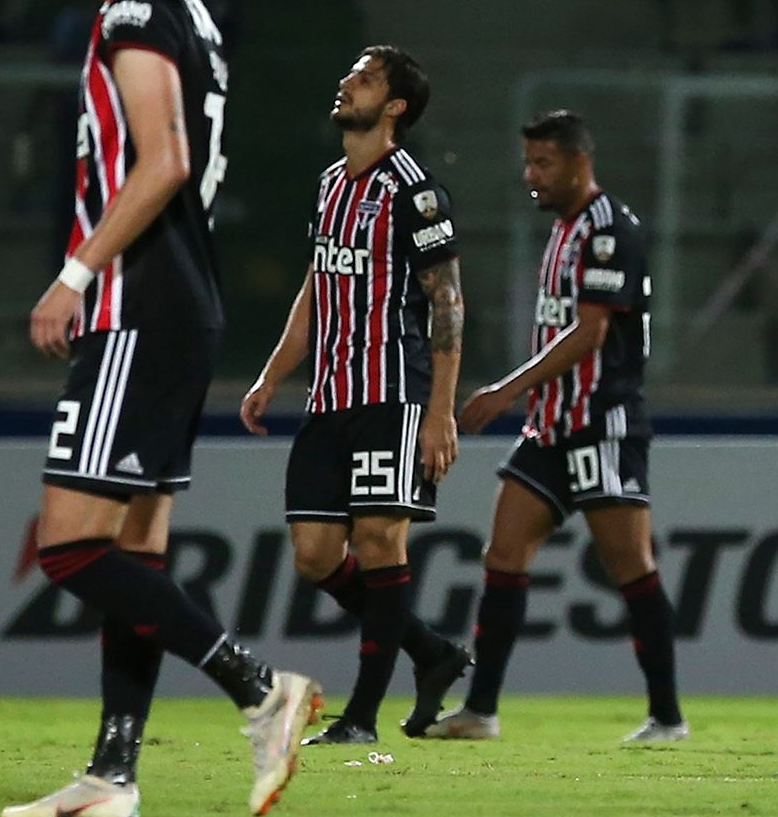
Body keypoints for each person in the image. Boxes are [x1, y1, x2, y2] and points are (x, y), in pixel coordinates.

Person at [4, 0, 321, 817]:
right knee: (135, 555)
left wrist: (73, 274)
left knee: (68, 548)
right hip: (185, 305)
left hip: (138, 305)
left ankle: (260, 689)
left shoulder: (134, 15)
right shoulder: (196, 19)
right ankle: (113, 773)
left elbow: (166, 158)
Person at [427, 110, 688, 743]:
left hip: (602, 424)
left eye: (544, 163)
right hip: (549, 429)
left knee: (631, 566)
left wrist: (505, 390)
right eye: (528, 162)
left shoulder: (607, 231)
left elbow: (592, 331)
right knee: (503, 555)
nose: (531, 175)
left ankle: (666, 717)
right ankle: (481, 710)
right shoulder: (565, 231)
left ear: (578, 162)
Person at [239, 46, 474, 745]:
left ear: (395, 106)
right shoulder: (331, 185)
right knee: (314, 555)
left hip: (392, 394)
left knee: (378, 540)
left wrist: (440, 413)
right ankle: (431, 654)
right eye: (349, 74)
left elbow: (448, 305)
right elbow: (319, 285)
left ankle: (362, 718)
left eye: (365, 78)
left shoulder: (416, 191)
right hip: (329, 397)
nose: (347, 83)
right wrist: (274, 372)